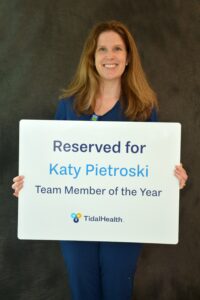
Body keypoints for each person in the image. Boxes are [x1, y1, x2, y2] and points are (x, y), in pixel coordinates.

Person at [12, 20, 188, 300]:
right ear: (91, 58)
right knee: (84, 291)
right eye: (102, 49)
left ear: (128, 58)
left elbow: (152, 165)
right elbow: (51, 163)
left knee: (118, 290)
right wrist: (30, 185)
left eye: (117, 49)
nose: (110, 56)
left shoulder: (143, 108)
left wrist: (170, 180)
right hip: (75, 219)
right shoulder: (69, 106)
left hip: (125, 219)